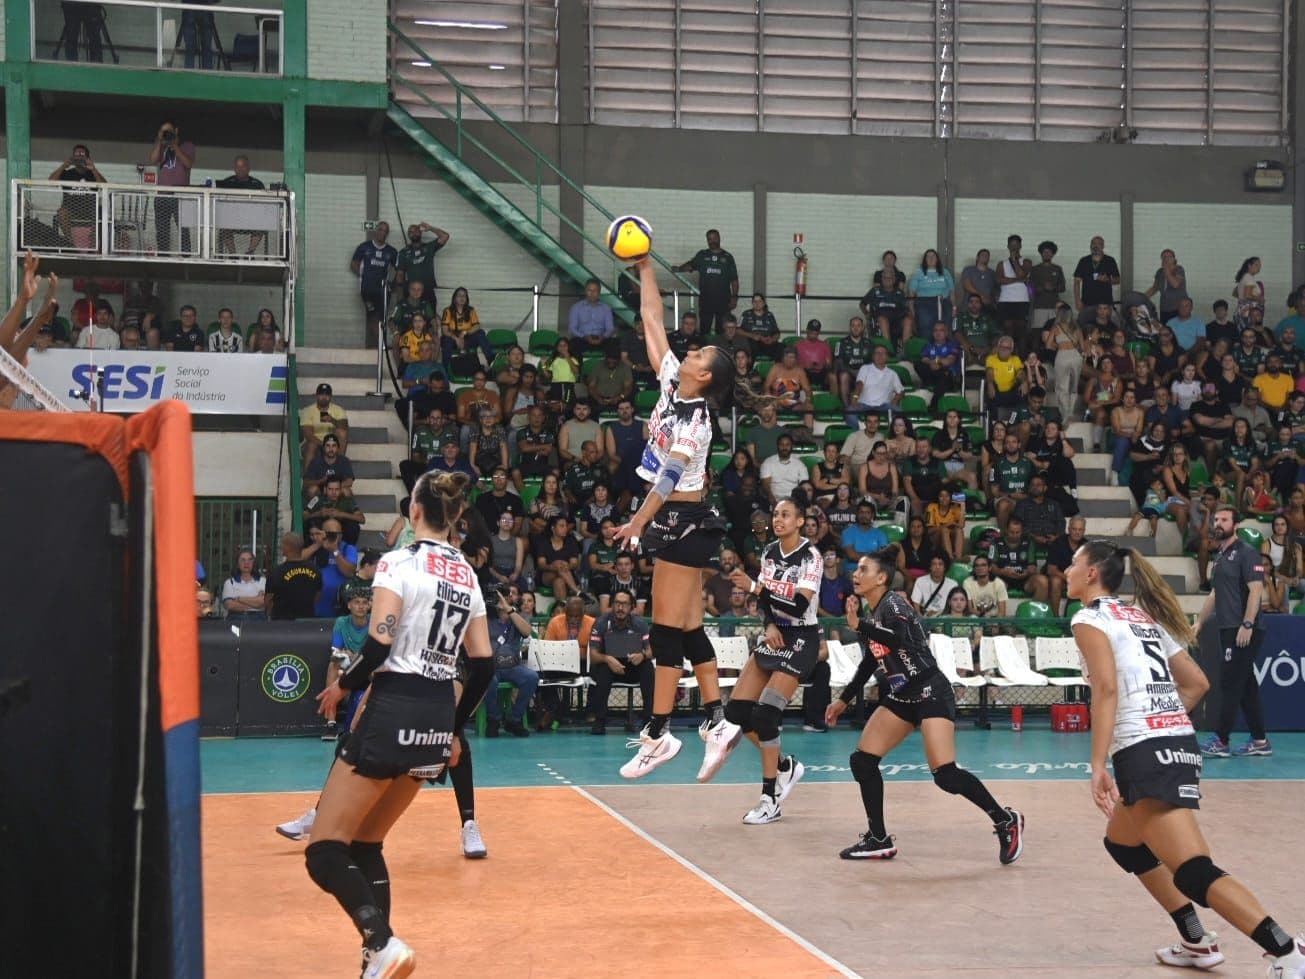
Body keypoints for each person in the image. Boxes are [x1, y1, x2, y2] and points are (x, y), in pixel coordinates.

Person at [1066, 540, 1305, 976]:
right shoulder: (1140, 616)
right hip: (1176, 743)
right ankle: (1196, 940)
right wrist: (1164, 718)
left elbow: (1106, 689)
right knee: (1123, 844)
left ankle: (1287, 952)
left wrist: (1098, 764)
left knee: (1194, 872)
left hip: (1145, 753)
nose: (1066, 571)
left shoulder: (1088, 618)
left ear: (1092, 574)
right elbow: (1197, 684)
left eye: (1073, 563)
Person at [304, 471, 494, 977]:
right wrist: (454, 729)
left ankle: (380, 940)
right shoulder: (467, 574)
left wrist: (342, 686)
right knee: (367, 844)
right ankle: (377, 958)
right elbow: (484, 664)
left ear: (414, 511)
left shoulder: (397, 562)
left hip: (394, 705)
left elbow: (379, 643)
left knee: (324, 850)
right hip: (436, 714)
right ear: (455, 516)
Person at [612, 256, 742, 781]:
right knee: (688, 628)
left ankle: (659, 733)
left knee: (664, 632)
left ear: (704, 375)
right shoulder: (672, 381)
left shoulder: (697, 423)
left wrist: (638, 523)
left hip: (681, 519)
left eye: (699, 354)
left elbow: (667, 481)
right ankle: (717, 722)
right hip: (680, 521)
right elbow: (651, 320)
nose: (689, 351)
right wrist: (645, 266)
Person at [827, 547, 1024, 862]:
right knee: (862, 761)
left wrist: (860, 626)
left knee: (945, 775)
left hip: (930, 691)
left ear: (881, 578)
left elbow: (898, 640)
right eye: (857, 568)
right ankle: (878, 838)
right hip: (901, 696)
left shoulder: (894, 604)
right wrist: (843, 699)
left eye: (863, 569)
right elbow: (871, 660)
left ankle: (1004, 820)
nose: (856, 574)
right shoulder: (871, 612)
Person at [719, 499, 818, 823]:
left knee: (765, 715)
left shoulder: (811, 557)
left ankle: (770, 799)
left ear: (800, 521)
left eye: (785, 515)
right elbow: (766, 603)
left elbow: (798, 606)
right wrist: (769, 624)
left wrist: (753, 587)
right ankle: (784, 766)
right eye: (776, 514)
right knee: (736, 712)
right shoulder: (769, 552)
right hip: (776, 634)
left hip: (801, 638)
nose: (778, 519)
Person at [1196, 507, 1270, 758]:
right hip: (1227, 628)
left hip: (1243, 629)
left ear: (1235, 524)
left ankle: (1221, 740)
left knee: (1230, 683)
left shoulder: (1247, 553)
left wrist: (1247, 624)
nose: (1218, 523)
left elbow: (1256, 590)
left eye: (1224, 520)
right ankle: (1260, 741)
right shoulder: (1220, 555)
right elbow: (1214, 594)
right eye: (1216, 519)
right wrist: (1200, 622)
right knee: (1245, 684)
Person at [588, 589, 655, 736]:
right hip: (609, 667)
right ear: (612, 605)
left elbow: (651, 651)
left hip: (632, 667)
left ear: (631, 607)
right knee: (602, 670)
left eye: (625, 604)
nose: (620, 608)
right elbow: (593, 656)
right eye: (617, 603)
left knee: (648, 667)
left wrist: (642, 655)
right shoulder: (600, 623)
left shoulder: (640, 624)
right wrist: (607, 658)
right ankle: (600, 720)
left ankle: (649, 720)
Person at [485, 586, 537, 738]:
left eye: (503, 596)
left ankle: (514, 720)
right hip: (492, 666)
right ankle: (493, 719)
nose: (500, 600)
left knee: (531, 677)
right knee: (488, 679)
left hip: (513, 666)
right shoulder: (486, 618)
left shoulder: (517, 616)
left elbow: (527, 632)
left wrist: (508, 609)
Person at [674, 228, 739, 333]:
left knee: (721, 331)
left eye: (714, 238)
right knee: (704, 330)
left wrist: (734, 298)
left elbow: (734, 280)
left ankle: (719, 344)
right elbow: (691, 265)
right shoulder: (702, 255)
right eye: (709, 239)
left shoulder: (728, 257)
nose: (712, 241)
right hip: (706, 301)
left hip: (723, 301)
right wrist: (679, 269)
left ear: (719, 238)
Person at [350, 222, 398, 349]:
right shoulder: (364, 247)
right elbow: (353, 264)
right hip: (367, 290)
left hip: (383, 292)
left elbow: (399, 270)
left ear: (387, 234)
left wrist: (393, 285)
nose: (383, 232)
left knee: (381, 318)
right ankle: (382, 346)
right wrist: (364, 275)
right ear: (376, 230)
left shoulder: (392, 251)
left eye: (385, 231)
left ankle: (381, 346)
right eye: (381, 229)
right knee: (372, 317)